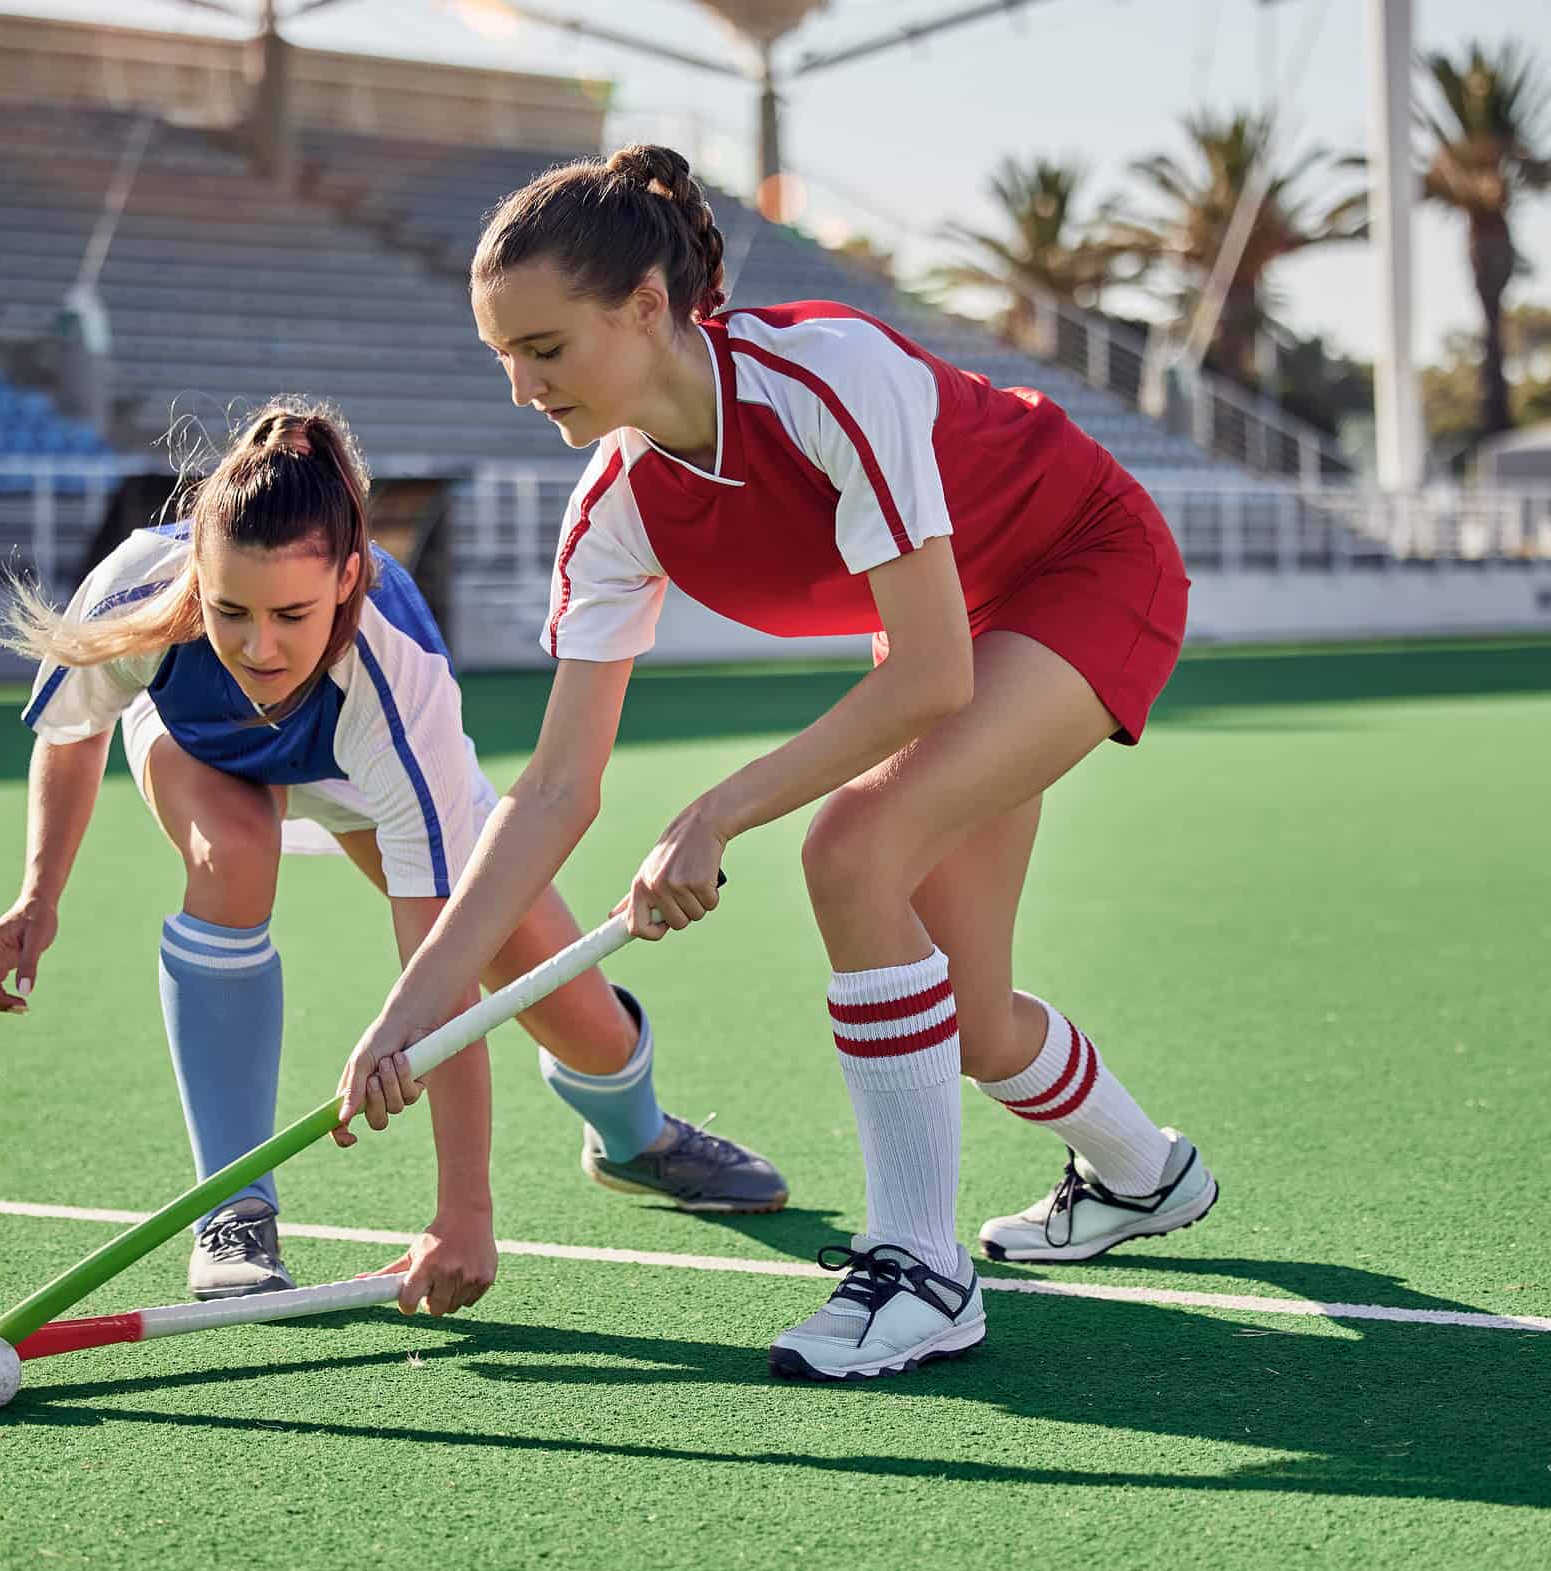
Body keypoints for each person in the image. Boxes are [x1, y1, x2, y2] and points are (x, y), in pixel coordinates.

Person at [334, 148, 1218, 1380]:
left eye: (544, 348)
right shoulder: (615, 510)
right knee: (966, 1011)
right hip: (956, 616)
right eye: (503, 357)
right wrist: (408, 1013)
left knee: (849, 851)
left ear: (647, 307)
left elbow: (929, 677)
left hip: (1081, 567)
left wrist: (715, 813)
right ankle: (1143, 1171)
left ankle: (921, 1269)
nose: (523, 389)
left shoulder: (826, 374)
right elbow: (551, 789)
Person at [0, 397, 787, 1318]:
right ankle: (233, 1210)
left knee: (574, 1014)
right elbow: (73, 735)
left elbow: (444, 957)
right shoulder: (137, 592)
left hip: (362, 773)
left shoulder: (399, 677)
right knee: (229, 858)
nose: (256, 645)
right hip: (206, 750)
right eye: (230, 610)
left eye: (291, 614)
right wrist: (39, 896)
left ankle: (635, 1140)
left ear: (349, 579)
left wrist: (462, 1211)